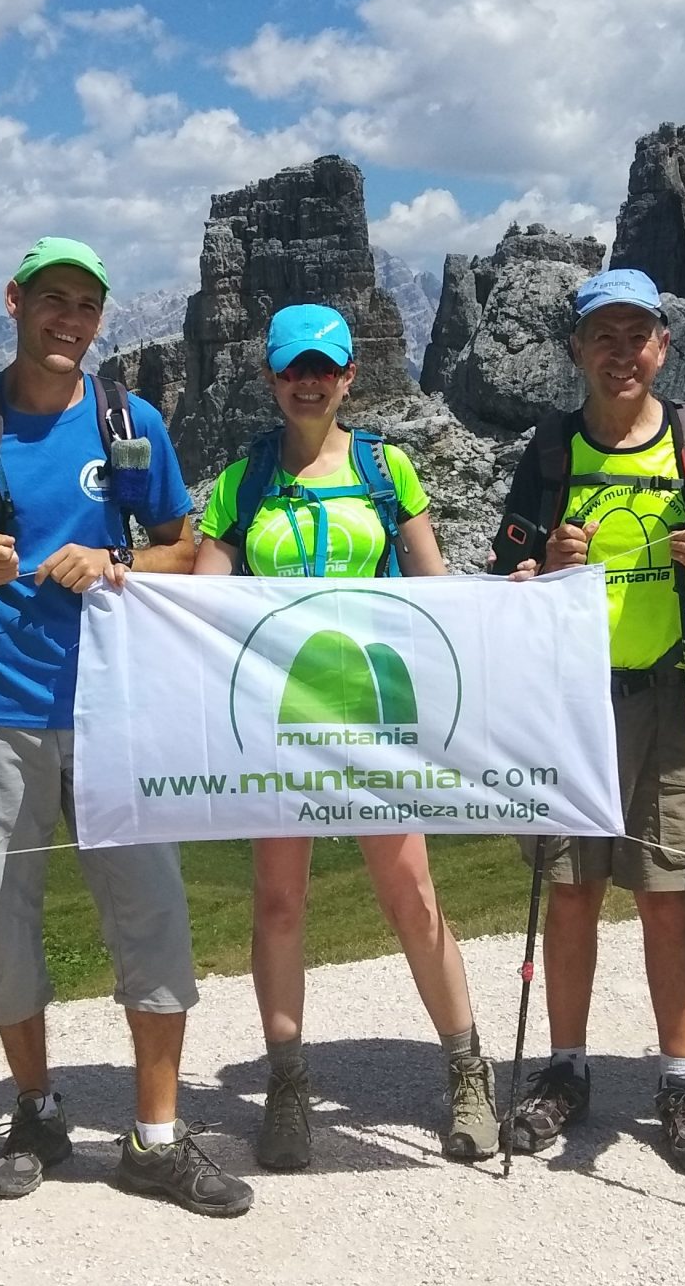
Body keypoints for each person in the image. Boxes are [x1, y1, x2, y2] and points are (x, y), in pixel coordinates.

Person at [0, 237, 248, 1218]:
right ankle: (36, 1109)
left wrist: (118, 569)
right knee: (4, 928)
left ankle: (154, 1136)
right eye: (52, 300)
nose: (69, 321)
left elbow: (186, 546)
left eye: (86, 307)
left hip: (114, 711)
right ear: (14, 302)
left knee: (154, 917)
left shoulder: (127, 419)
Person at [194, 303, 500, 1169]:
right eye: (294, 369)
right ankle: (288, 1088)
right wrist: (122, 585)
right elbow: (207, 602)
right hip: (281, 721)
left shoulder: (385, 467)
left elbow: (432, 585)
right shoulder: (241, 481)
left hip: (375, 716)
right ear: (270, 378)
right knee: (280, 901)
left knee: (410, 894)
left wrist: (512, 603)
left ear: (349, 378)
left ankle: (467, 1070)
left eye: (324, 368)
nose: (309, 382)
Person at [495, 267, 685, 1177]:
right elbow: (507, 577)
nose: (621, 353)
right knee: (570, 890)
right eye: (601, 337)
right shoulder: (553, 449)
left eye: (636, 335)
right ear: (576, 351)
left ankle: (680, 1081)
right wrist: (544, 566)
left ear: (662, 345)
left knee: (665, 889)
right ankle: (567, 1069)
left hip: (669, 694)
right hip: (569, 704)